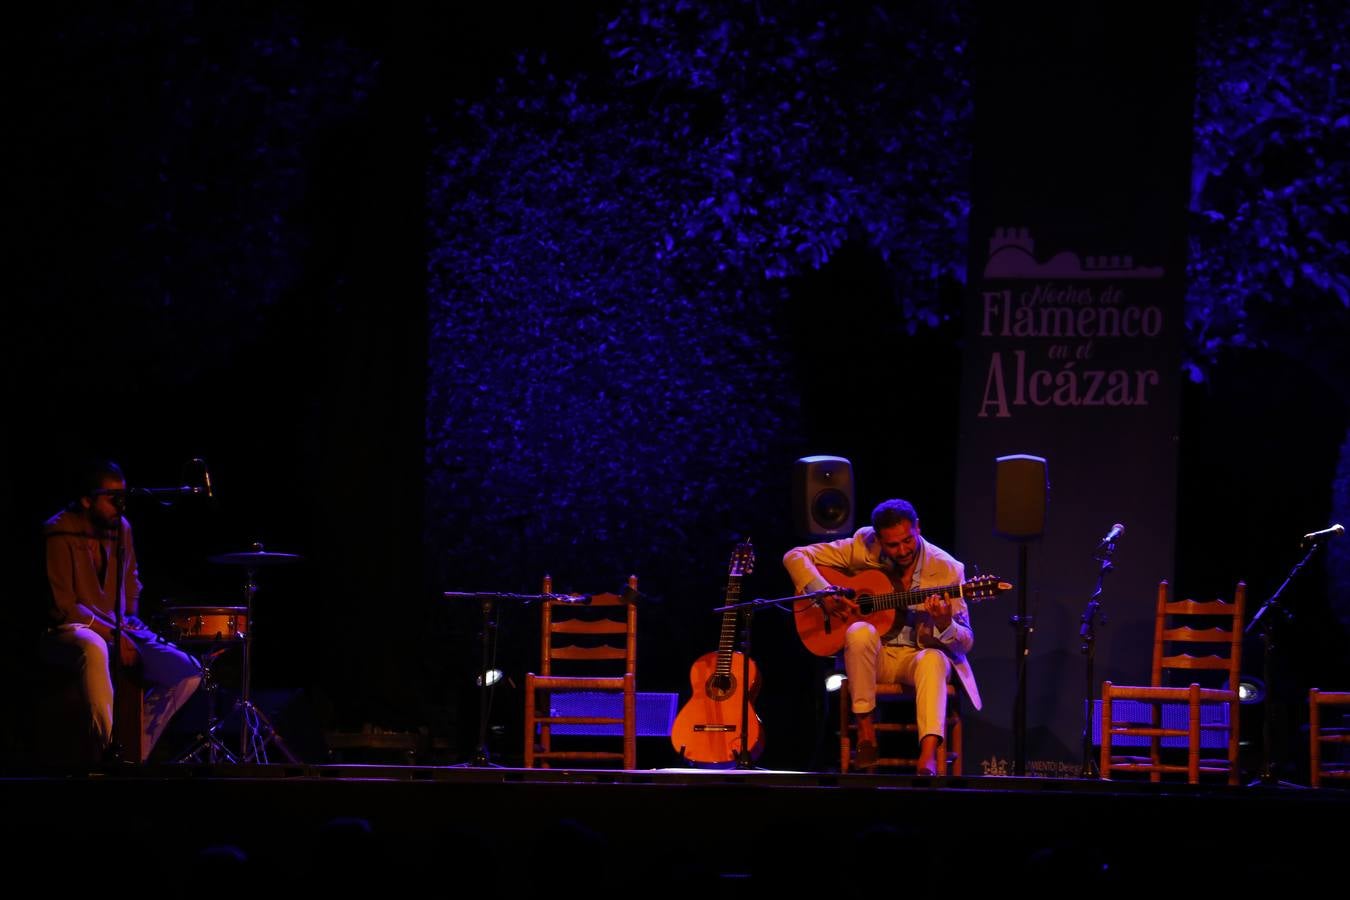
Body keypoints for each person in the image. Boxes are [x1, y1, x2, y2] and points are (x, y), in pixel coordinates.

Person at [783, 498, 981, 774]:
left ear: (918, 528)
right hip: (875, 659)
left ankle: (928, 757)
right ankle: (866, 732)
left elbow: (966, 641)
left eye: (907, 541)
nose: (902, 551)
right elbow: (794, 556)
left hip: (917, 658)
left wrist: (945, 623)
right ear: (879, 539)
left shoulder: (948, 569)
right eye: (892, 545)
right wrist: (823, 593)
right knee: (859, 631)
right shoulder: (863, 546)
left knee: (933, 659)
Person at [40, 459, 201, 762]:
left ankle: (133, 749)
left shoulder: (121, 528)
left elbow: (131, 589)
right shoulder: (58, 530)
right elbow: (64, 608)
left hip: (116, 627)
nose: (120, 504)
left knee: (188, 670)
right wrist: (114, 633)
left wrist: (128, 626)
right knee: (94, 645)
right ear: (87, 500)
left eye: (123, 496)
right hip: (68, 631)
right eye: (111, 497)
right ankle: (106, 750)